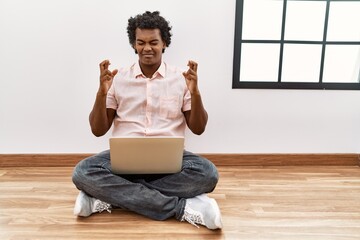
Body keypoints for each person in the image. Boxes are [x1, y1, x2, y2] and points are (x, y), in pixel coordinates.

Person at [72, 11, 222, 230]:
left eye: (154, 42)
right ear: (134, 45)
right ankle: (183, 207)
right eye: (140, 42)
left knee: (208, 174)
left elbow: (198, 128)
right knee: (82, 172)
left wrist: (195, 92)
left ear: (164, 44)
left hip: (169, 162)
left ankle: (106, 197)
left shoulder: (181, 79)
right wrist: (101, 93)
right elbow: (97, 130)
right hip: (124, 160)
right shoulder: (119, 78)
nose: (147, 48)